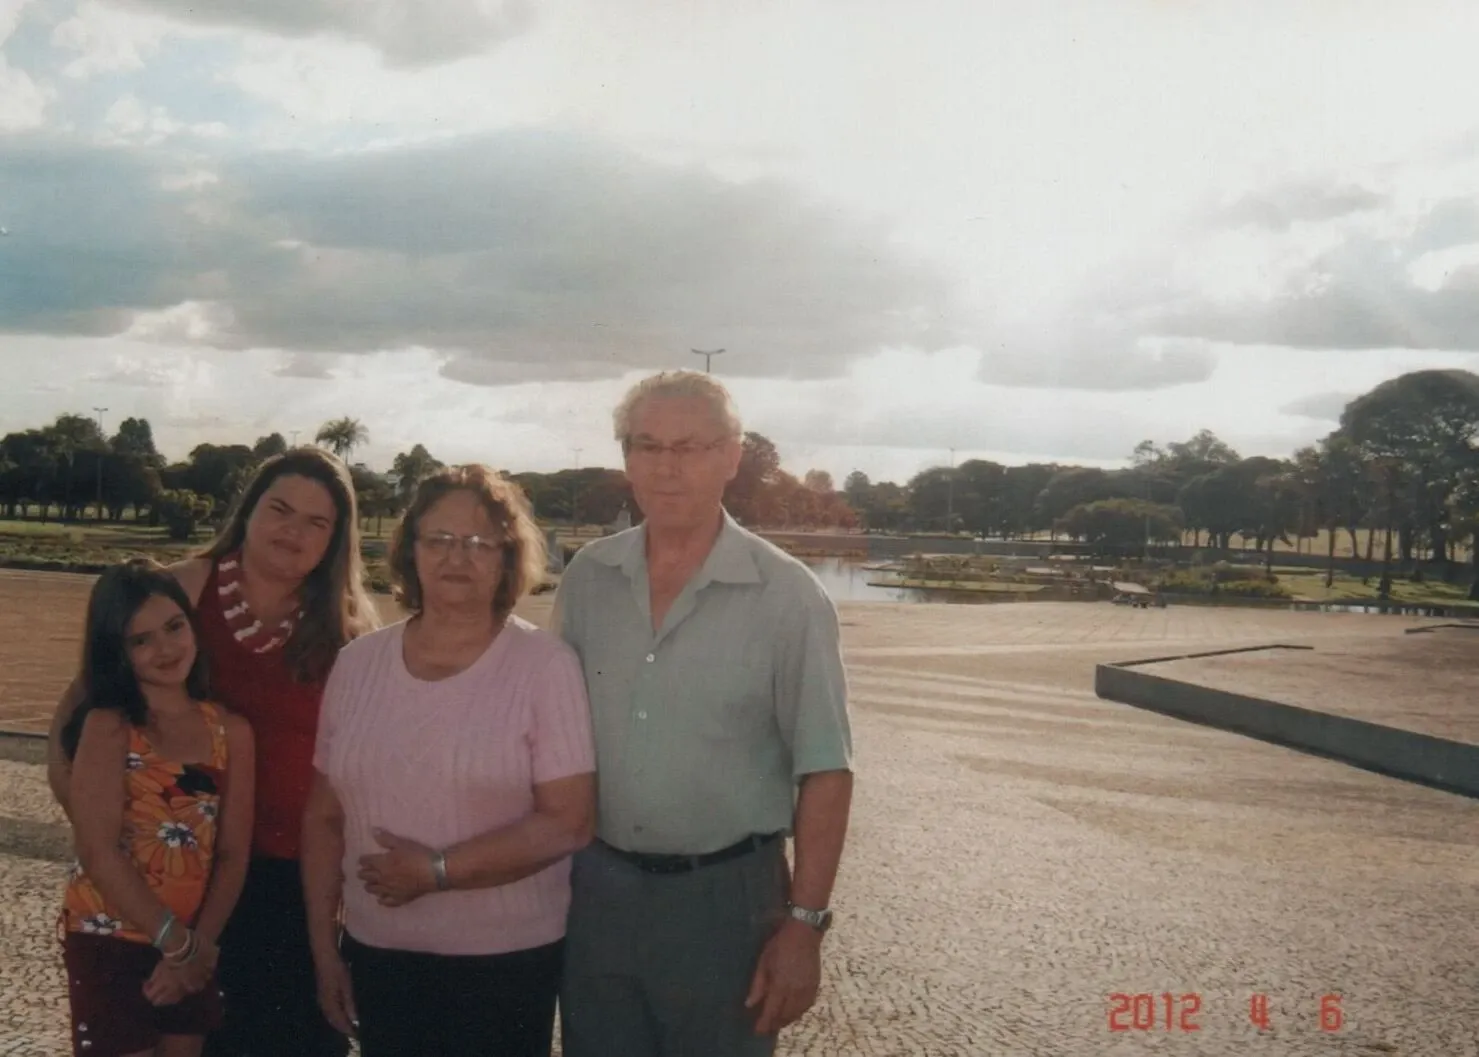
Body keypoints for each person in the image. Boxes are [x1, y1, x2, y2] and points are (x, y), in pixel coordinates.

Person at [553, 370, 856, 1057]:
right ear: (626, 456)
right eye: (647, 445)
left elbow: (827, 770)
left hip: (728, 906)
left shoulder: (788, 598)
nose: (666, 466)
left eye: (689, 446)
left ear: (731, 455)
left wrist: (803, 927)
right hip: (595, 891)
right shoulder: (587, 580)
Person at [48, 448, 379, 1057]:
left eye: (317, 522)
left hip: (288, 886)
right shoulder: (180, 595)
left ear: (336, 540)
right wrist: (119, 851)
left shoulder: (348, 632)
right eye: (279, 509)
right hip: (174, 889)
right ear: (247, 512)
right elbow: (72, 728)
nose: (293, 531)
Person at [301, 465, 596, 1057]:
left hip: (504, 967)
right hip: (377, 954)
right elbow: (324, 819)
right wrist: (325, 951)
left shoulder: (545, 667)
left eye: (480, 542)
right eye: (438, 539)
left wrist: (436, 870)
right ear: (411, 550)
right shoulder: (357, 664)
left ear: (507, 557)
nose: (457, 557)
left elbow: (569, 822)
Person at [58, 558, 254, 1057]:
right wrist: (176, 945)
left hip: (191, 942)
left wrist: (198, 950)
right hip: (110, 937)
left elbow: (232, 853)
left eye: (174, 627)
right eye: (141, 640)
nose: (166, 648)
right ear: (117, 652)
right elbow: (97, 850)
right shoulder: (108, 725)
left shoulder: (231, 732)